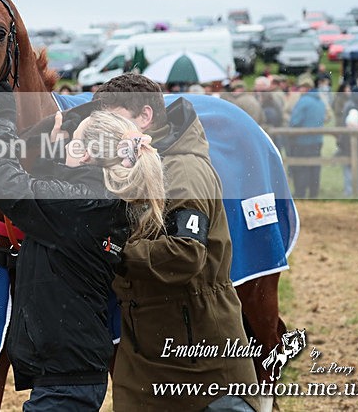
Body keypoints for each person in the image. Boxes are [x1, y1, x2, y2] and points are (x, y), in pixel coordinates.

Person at [0, 82, 165, 411]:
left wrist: (4, 120)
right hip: (73, 369)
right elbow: (63, 196)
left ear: (88, 154)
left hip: (66, 379)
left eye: (74, 142)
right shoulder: (102, 200)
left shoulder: (80, 205)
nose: (66, 148)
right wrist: (52, 160)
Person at [91, 74, 260, 412]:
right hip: (148, 352)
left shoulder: (183, 170)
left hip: (200, 357)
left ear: (145, 118)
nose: (107, 128)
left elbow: (185, 253)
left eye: (114, 117)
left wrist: (115, 251)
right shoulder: (133, 166)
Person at [288, 75, 326, 198]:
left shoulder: (303, 101)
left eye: (302, 87)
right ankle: (313, 193)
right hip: (317, 140)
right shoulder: (320, 100)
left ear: (307, 88)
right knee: (314, 167)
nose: (300, 90)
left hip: (302, 141)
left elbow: (295, 121)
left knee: (301, 168)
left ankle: (300, 192)